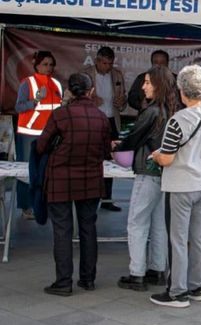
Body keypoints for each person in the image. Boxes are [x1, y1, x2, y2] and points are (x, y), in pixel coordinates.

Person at [149, 65, 201, 308]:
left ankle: (177, 292)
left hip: (181, 185)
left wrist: (157, 155)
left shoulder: (177, 120)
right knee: (200, 237)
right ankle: (198, 287)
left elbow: (167, 159)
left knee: (177, 240)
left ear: (181, 90)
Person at [38, 73, 112, 296]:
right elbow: (105, 152)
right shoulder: (101, 117)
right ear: (91, 91)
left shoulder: (60, 115)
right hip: (91, 180)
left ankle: (63, 282)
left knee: (62, 230)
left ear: (69, 91)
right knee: (88, 228)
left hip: (60, 179)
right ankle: (88, 280)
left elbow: (41, 146)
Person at [114, 65, 179, 291]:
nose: (143, 86)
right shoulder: (172, 109)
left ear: (158, 85)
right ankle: (157, 270)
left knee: (137, 222)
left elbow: (133, 138)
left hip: (148, 171)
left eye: (148, 82)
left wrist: (118, 146)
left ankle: (137, 274)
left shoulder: (152, 111)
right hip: (165, 174)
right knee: (159, 223)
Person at [15, 51, 63, 220]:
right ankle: (26, 207)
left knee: (48, 170)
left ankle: (43, 205)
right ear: (36, 65)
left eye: (51, 64)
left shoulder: (56, 84)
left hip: (50, 134)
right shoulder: (27, 83)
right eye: (45, 64)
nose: (49, 67)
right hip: (29, 133)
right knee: (26, 171)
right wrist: (35, 101)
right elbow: (19, 107)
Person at [79, 46, 127, 212]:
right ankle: (88, 197)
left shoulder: (117, 75)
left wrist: (121, 102)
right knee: (91, 158)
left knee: (110, 159)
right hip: (92, 121)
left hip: (112, 120)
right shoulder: (85, 74)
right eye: (105, 63)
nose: (108, 67)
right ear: (97, 60)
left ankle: (107, 198)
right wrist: (90, 101)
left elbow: (124, 99)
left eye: (110, 63)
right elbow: (76, 98)